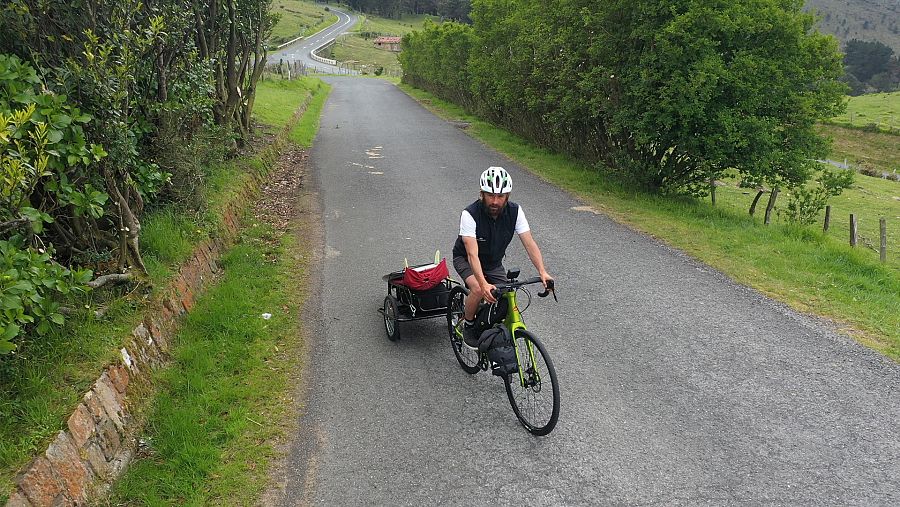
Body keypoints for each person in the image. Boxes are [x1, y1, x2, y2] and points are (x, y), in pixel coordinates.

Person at [452, 166, 553, 349]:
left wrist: (542, 272)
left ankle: (489, 325)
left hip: (493, 262)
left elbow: (529, 243)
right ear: (482, 194)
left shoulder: (515, 212)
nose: (495, 201)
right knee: (478, 289)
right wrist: (483, 284)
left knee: (505, 295)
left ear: (507, 196)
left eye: (500, 196)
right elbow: (472, 254)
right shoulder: (470, 214)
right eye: (490, 195)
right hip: (465, 259)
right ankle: (469, 325)